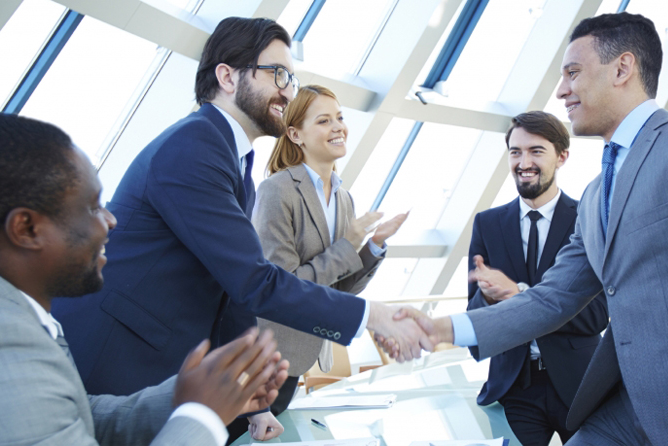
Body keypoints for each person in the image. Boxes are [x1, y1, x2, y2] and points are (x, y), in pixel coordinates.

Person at [394, 12, 668, 446]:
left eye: (573, 72)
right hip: (624, 414)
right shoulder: (594, 197)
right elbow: (552, 298)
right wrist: (440, 329)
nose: (561, 90)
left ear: (622, 68)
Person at [51, 17, 428, 441]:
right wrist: (373, 317)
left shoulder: (234, 163)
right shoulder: (194, 146)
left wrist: (256, 401)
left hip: (155, 360)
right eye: (278, 74)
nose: (289, 89)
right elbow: (255, 281)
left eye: (292, 77)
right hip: (116, 353)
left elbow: (233, 297)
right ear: (227, 76)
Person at [0, 114, 290, 446]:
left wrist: (185, 395)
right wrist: (201, 416)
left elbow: (70, 417)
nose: (110, 221)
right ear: (26, 228)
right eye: (92, 207)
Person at [225, 85, 409, 440]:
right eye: (324, 120)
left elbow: (337, 288)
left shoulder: (344, 198)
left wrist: (372, 247)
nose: (338, 126)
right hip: (259, 362)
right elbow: (281, 286)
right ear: (295, 134)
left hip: (296, 360)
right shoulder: (277, 191)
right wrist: (349, 244)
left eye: (340, 117)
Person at [467, 111, 608, 446]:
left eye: (536, 151)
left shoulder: (586, 219)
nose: (523, 162)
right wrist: (488, 296)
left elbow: (598, 313)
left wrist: (520, 295)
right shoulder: (487, 224)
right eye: (515, 152)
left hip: (580, 383)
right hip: (515, 387)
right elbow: (474, 316)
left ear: (561, 157)